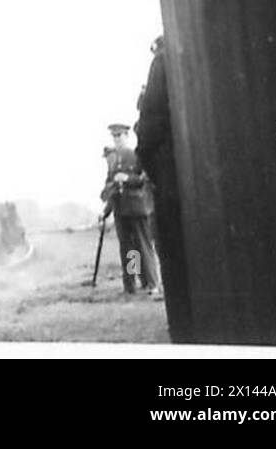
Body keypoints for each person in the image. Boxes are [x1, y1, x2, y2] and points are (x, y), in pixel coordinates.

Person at [136, 35, 191, 338]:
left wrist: (152, 170)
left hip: (169, 176)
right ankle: (137, 282)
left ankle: (183, 326)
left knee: (160, 248)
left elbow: (147, 131)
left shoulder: (163, 63)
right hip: (131, 203)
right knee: (134, 249)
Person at [100, 122, 162, 296]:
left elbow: (144, 178)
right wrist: (106, 210)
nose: (117, 139)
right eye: (114, 136)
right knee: (129, 249)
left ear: (127, 136)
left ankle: (152, 283)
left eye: (120, 136)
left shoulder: (136, 155)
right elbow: (110, 186)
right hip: (121, 209)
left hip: (138, 207)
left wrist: (126, 178)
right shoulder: (112, 160)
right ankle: (131, 284)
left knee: (143, 245)